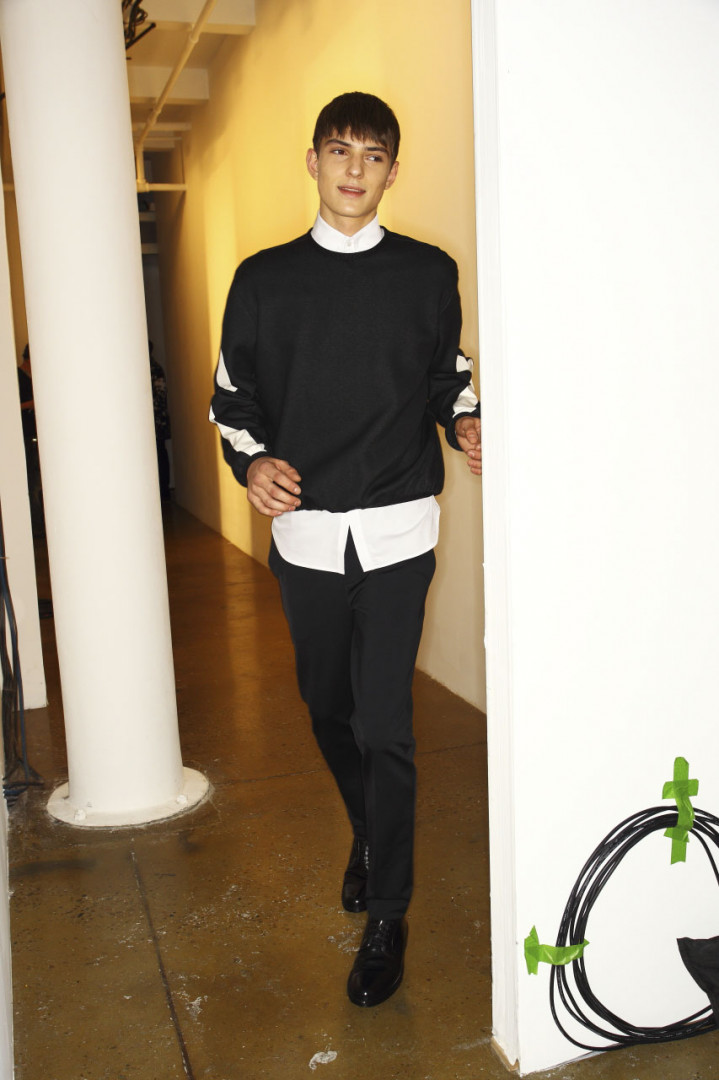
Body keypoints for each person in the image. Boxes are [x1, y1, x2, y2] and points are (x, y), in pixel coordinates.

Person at [209, 91, 481, 1008]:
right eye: (339, 150)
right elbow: (231, 401)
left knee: (384, 724)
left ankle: (388, 914)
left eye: (372, 154)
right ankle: (367, 828)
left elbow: (445, 375)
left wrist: (464, 420)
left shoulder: (427, 273)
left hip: (400, 528)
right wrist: (251, 463)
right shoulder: (263, 280)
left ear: (392, 171)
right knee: (327, 708)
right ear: (314, 161)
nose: (354, 168)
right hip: (308, 536)